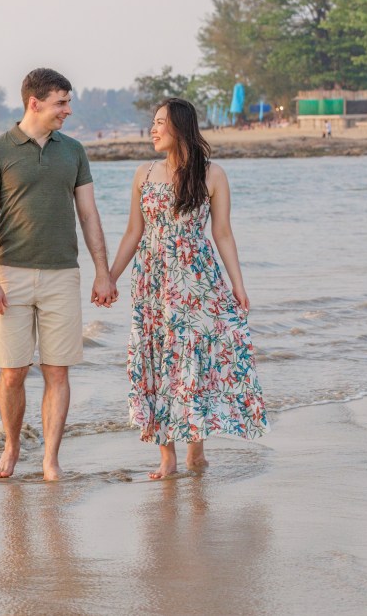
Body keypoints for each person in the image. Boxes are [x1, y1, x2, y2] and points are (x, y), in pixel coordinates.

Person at [108, 98, 267, 480]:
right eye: (153, 122)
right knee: (158, 359)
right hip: (152, 282)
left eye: (160, 122)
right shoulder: (144, 174)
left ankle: (195, 449)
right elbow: (134, 232)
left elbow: (223, 233)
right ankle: (167, 457)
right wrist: (109, 277)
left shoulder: (212, 175)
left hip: (197, 281)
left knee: (192, 360)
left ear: (180, 127)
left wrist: (238, 285)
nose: (153, 129)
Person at [0, 68, 116, 481]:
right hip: (10, 274)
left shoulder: (73, 151)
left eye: (67, 103)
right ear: (34, 103)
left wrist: (102, 273)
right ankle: (12, 447)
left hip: (62, 275)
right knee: (12, 371)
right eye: (61, 103)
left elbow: (89, 216)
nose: (67, 111)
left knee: (57, 370)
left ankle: (51, 459)